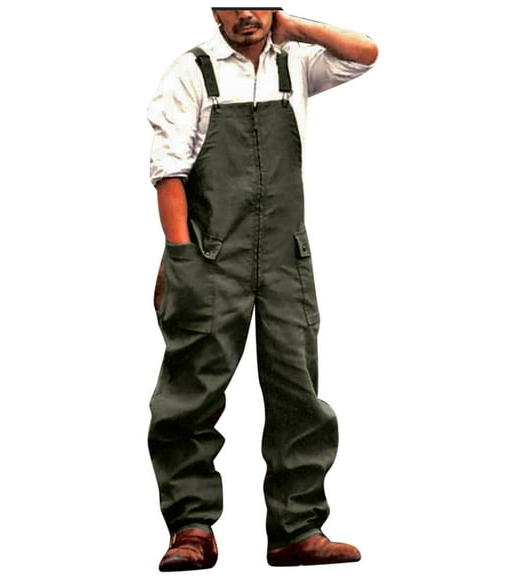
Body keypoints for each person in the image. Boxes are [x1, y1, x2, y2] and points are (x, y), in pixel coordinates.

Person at [147, 8, 377, 571]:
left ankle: (298, 530)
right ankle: (191, 528)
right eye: (232, 4)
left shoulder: (293, 64)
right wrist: (181, 258)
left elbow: (365, 53)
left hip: (284, 257)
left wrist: (293, 27)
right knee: (191, 391)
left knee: (297, 390)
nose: (246, 13)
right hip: (210, 255)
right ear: (214, 10)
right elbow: (169, 174)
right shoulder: (191, 72)